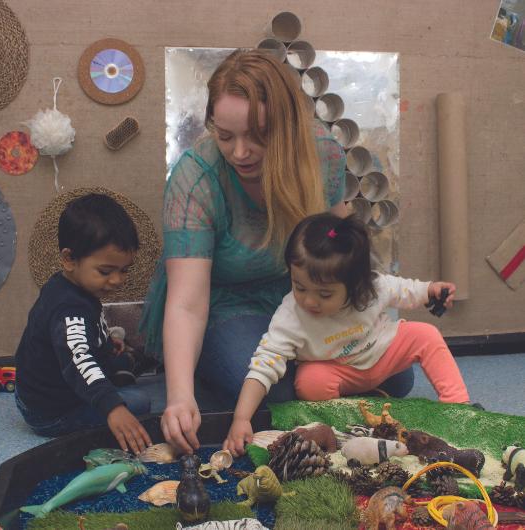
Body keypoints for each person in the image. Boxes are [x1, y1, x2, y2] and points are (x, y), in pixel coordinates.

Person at [140, 48, 414, 454]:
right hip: (225, 302)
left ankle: (297, 374)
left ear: (287, 126)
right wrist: (179, 397)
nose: (239, 152)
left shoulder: (323, 154)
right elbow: (187, 304)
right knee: (275, 389)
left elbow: (335, 249)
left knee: (399, 374)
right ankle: (198, 377)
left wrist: (360, 308)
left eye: (258, 136)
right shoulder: (195, 179)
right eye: (225, 135)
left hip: (302, 293)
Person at [224, 213, 470, 456]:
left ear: (355, 285)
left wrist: (431, 290)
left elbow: (404, 289)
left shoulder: (372, 287)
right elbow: (265, 363)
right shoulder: (290, 316)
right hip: (339, 371)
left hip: (381, 351)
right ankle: (351, 415)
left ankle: (459, 407)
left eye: (325, 294)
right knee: (309, 383)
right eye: (299, 287)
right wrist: (241, 418)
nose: (309, 300)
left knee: (426, 335)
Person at [15, 193, 152, 454]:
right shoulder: (68, 307)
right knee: (139, 403)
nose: (117, 280)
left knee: (118, 365)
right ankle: (116, 380)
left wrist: (105, 340)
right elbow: (79, 358)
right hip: (50, 411)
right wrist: (113, 408)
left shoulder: (73, 287)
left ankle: (120, 369)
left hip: (49, 387)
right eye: (106, 271)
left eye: (124, 270)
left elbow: (80, 334)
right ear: (69, 259)